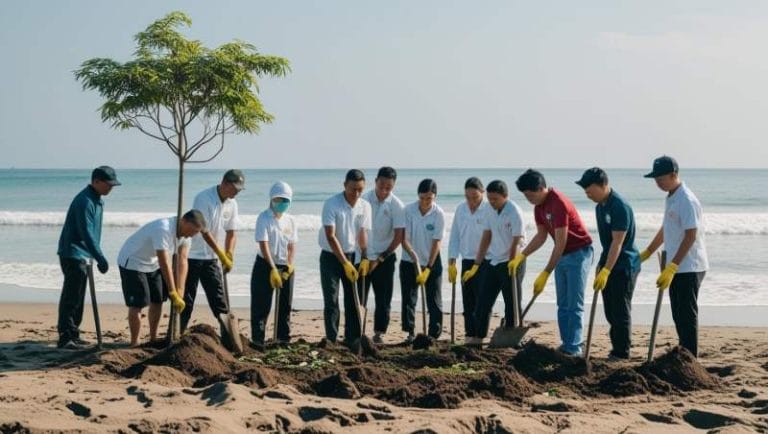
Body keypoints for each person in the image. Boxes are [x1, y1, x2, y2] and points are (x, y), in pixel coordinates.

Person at [511, 169, 593, 356]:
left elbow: (561, 241)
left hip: (579, 253)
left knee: (574, 304)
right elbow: (541, 236)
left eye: (530, 195)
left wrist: (546, 271)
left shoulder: (558, 202)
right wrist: (522, 256)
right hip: (563, 254)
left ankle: (574, 348)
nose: (528, 199)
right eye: (525, 196)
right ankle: (567, 344)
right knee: (562, 303)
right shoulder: (538, 207)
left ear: (541, 188)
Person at [639, 156, 708, 356]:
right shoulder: (671, 196)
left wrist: (673, 266)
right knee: (678, 313)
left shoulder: (686, 199)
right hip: (677, 266)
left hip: (689, 266)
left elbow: (691, 234)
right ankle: (684, 353)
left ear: (673, 175)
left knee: (686, 314)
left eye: (661, 178)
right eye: (655, 179)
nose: (658, 182)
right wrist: (648, 252)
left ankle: (690, 357)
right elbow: (666, 228)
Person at [576, 168, 640, 360]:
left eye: (590, 189)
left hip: (625, 264)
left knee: (620, 309)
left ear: (603, 185)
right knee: (610, 310)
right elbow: (606, 243)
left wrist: (607, 270)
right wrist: (600, 267)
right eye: (585, 191)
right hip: (609, 261)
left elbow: (617, 243)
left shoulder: (619, 206)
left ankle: (621, 352)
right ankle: (616, 347)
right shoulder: (600, 207)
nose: (587, 194)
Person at [117, 210, 206, 347]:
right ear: (184, 222)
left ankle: (152, 339)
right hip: (133, 261)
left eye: (195, 233)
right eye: (192, 231)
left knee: (158, 299)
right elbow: (165, 261)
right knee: (138, 304)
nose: (192, 235)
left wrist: (180, 291)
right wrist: (172, 292)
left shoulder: (186, 235)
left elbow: (182, 259)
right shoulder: (163, 229)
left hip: (152, 263)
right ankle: (134, 343)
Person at [56, 166, 121, 349]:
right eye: (108, 184)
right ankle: (65, 336)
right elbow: (86, 233)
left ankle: (73, 333)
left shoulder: (96, 199)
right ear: (96, 181)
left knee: (78, 295)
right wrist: (100, 257)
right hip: (74, 253)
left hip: (84, 254)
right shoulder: (85, 201)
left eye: (113, 185)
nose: (111, 188)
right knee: (72, 296)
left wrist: (94, 255)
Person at [181, 169, 243, 335]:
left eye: (239, 190)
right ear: (225, 183)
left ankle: (228, 338)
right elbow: (204, 231)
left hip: (211, 258)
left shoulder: (232, 203)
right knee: (186, 300)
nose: (236, 193)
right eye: (235, 189)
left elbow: (232, 232)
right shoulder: (203, 198)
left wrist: (229, 254)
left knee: (219, 301)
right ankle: (177, 335)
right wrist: (221, 254)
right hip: (192, 256)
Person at [318, 169, 372, 345]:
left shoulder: (365, 206)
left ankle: (353, 339)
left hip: (352, 255)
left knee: (353, 299)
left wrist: (364, 256)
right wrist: (345, 263)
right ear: (345, 185)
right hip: (331, 257)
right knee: (331, 300)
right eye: (353, 189)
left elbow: (362, 233)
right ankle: (331, 340)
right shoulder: (331, 204)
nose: (356, 193)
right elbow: (330, 236)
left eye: (360, 190)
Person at [471, 180, 527, 346]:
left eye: (495, 199)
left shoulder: (514, 212)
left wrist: (512, 263)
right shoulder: (489, 208)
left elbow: (517, 241)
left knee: (512, 301)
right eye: (489, 198)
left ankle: (511, 337)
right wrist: (477, 263)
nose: (492, 202)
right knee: (483, 299)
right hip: (493, 260)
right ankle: (478, 335)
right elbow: (486, 236)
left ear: (505, 197)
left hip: (513, 260)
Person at [358, 167, 405, 344]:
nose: (384, 190)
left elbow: (399, 236)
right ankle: (356, 331)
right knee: (359, 296)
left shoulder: (397, 205)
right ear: (376, 181)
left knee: (383, 299)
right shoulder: (363, 201)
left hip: (385, 257)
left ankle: (379, 334)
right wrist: (364, 256)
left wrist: (380, 258)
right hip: (363, 255)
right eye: (382, 185)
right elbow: (358, 230)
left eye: (389, 187)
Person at [250, 181, 298, 349]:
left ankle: (282, 340)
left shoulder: (291, 220)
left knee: (285, 306)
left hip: (285, 267)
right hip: (265, 265)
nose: (282, 203)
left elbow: (292, 245)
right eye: (278, 199)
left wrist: (289, 266)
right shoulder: (263, 218)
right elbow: (264, 245)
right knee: (261, 306)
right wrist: (272, 269)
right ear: (271, 199)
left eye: (285, 200)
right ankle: (258, 341)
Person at [401, 179, 446, 342]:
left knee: (434, 299)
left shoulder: (438, 213)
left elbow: (437, 241)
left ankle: (433, 334)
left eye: (429, 198)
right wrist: (413, 255)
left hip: (432, 260)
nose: (425, 201)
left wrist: (428, 267)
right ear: (418, 195)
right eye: (422, 198)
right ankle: (410, 333)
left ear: (435, 197)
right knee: (409, 298)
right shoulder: (408, 210)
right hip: (409, 260)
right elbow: (403, 238)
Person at [447, 177, 490, 344]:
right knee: (468, 300)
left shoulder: (489, 209)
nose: (471, 201)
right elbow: (455, 237)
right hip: (466, 260)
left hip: (485, 261)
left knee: (482, 301)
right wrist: (452, 261)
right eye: (468, 197)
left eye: (475, 197)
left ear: (483, 193)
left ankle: (480, 336)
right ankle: (469, 334)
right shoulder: (461, 209)